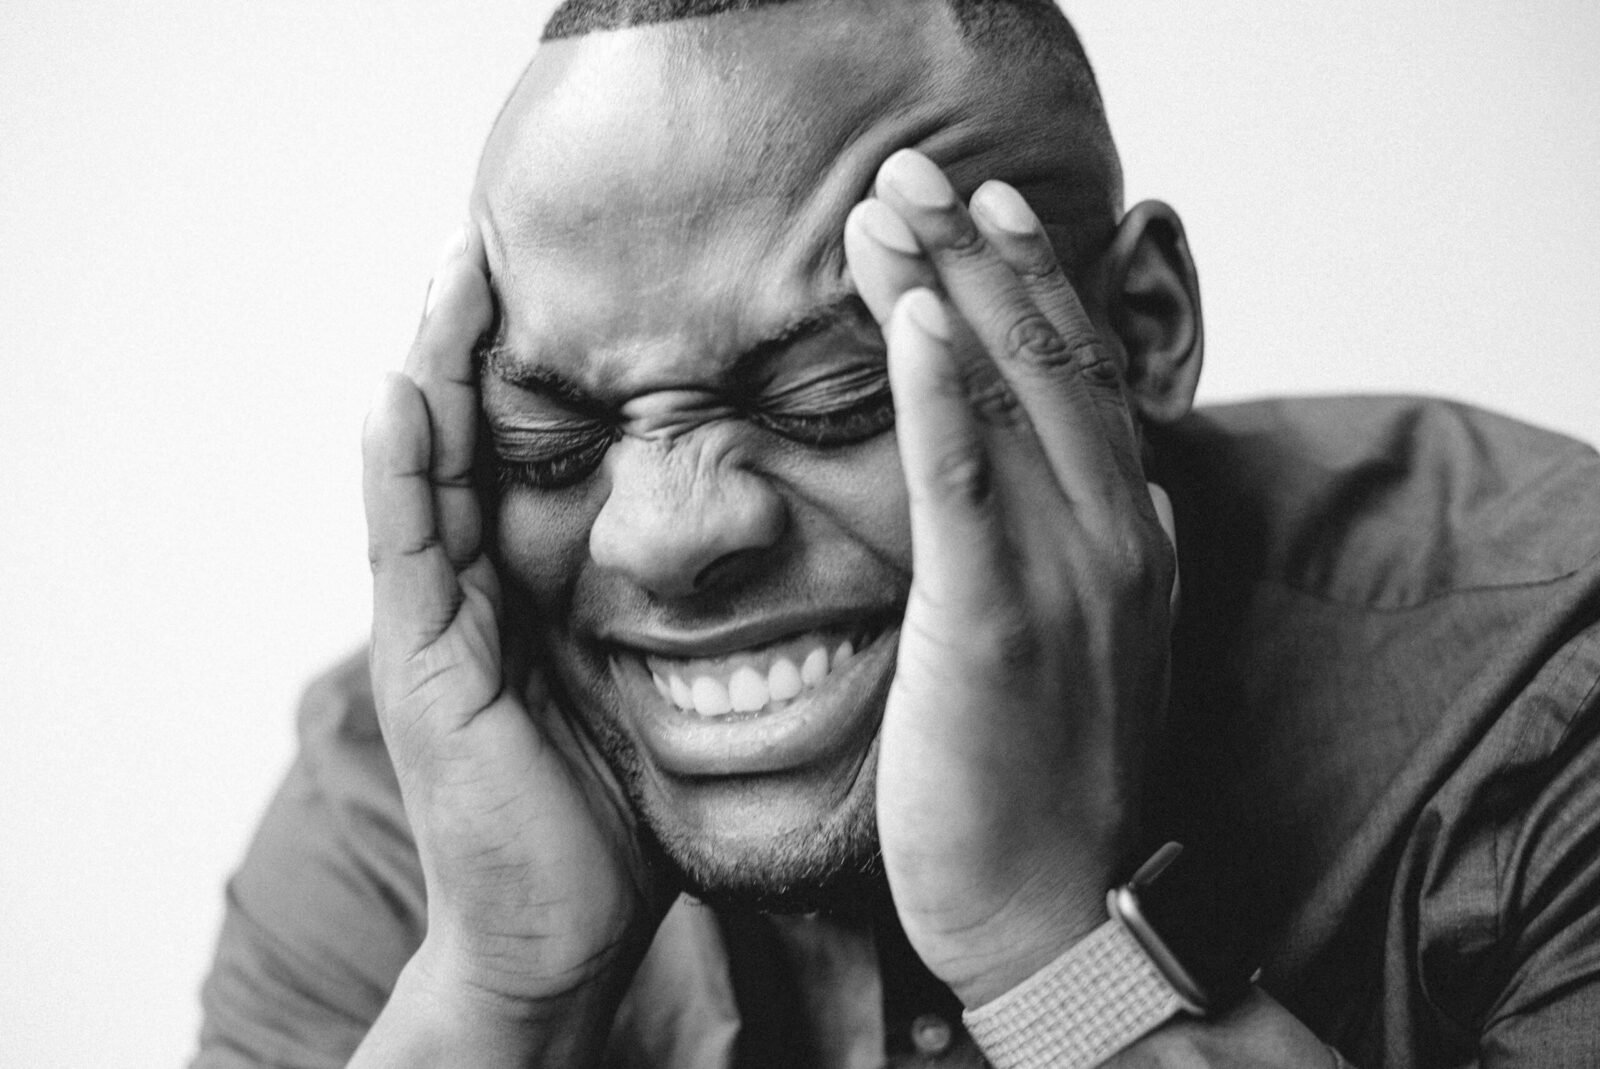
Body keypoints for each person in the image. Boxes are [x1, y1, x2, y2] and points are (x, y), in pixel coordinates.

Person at [192, 1, 1600, 1066]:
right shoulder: (414, 806)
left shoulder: (1544, 690)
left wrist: (1053, 952)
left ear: (1140, 331)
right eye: (549, 441)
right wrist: (501, 988)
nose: (665, 535)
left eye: (835, 389)